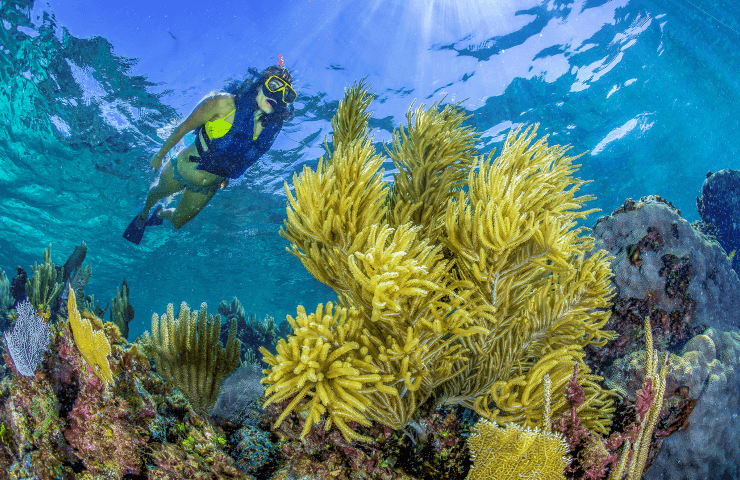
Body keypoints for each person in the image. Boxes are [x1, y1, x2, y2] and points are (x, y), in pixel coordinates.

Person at [123, 63, 296, 244]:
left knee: (177, 222)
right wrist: (159, 155)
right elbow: (183, 128)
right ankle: (143, 216)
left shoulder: (270, 129)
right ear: (260, 84)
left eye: (286, 95)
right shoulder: (224, 103)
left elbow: (239, 155)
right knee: (157, 192)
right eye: (274, 86)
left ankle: (159, 213)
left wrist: (226, 174)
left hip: (208, 186)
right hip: (182, 168)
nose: (277, 97)